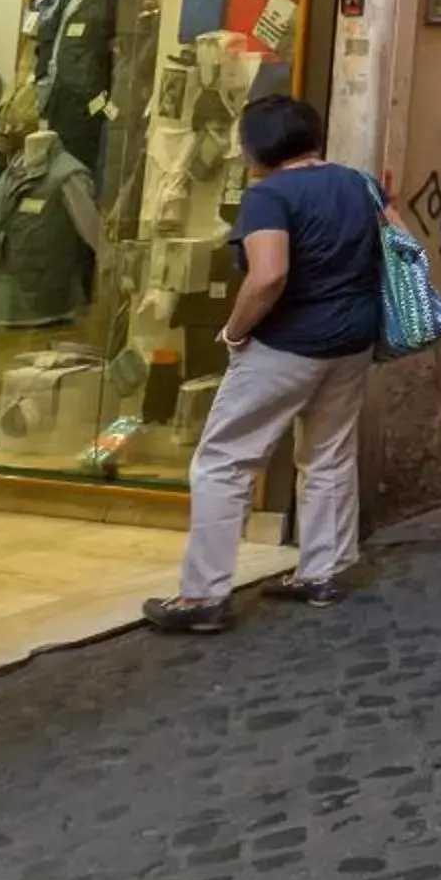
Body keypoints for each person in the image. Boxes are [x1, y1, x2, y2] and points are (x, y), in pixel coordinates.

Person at [143, 95, 381, 631]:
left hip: (288, 344)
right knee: (328, 455)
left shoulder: (269, 197)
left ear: (257, 146)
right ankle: (322, 572)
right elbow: (403, 244)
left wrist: (234, 331)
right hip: (353, 342)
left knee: (223, 462)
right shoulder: (361, 184)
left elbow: (269, 275)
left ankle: (203, 596)